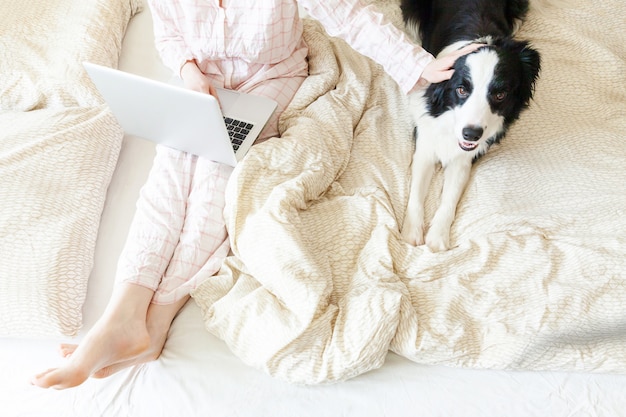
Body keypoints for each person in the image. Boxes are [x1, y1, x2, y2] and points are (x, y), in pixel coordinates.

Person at [31, 0, 481, 390]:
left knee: (212, 173)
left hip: (271, 77)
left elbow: (350, 15)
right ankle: (121, 312)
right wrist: (189, 74)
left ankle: (155, 319)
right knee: (168, 171)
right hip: (201, 84)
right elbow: (168, 33)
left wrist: (416, 63)